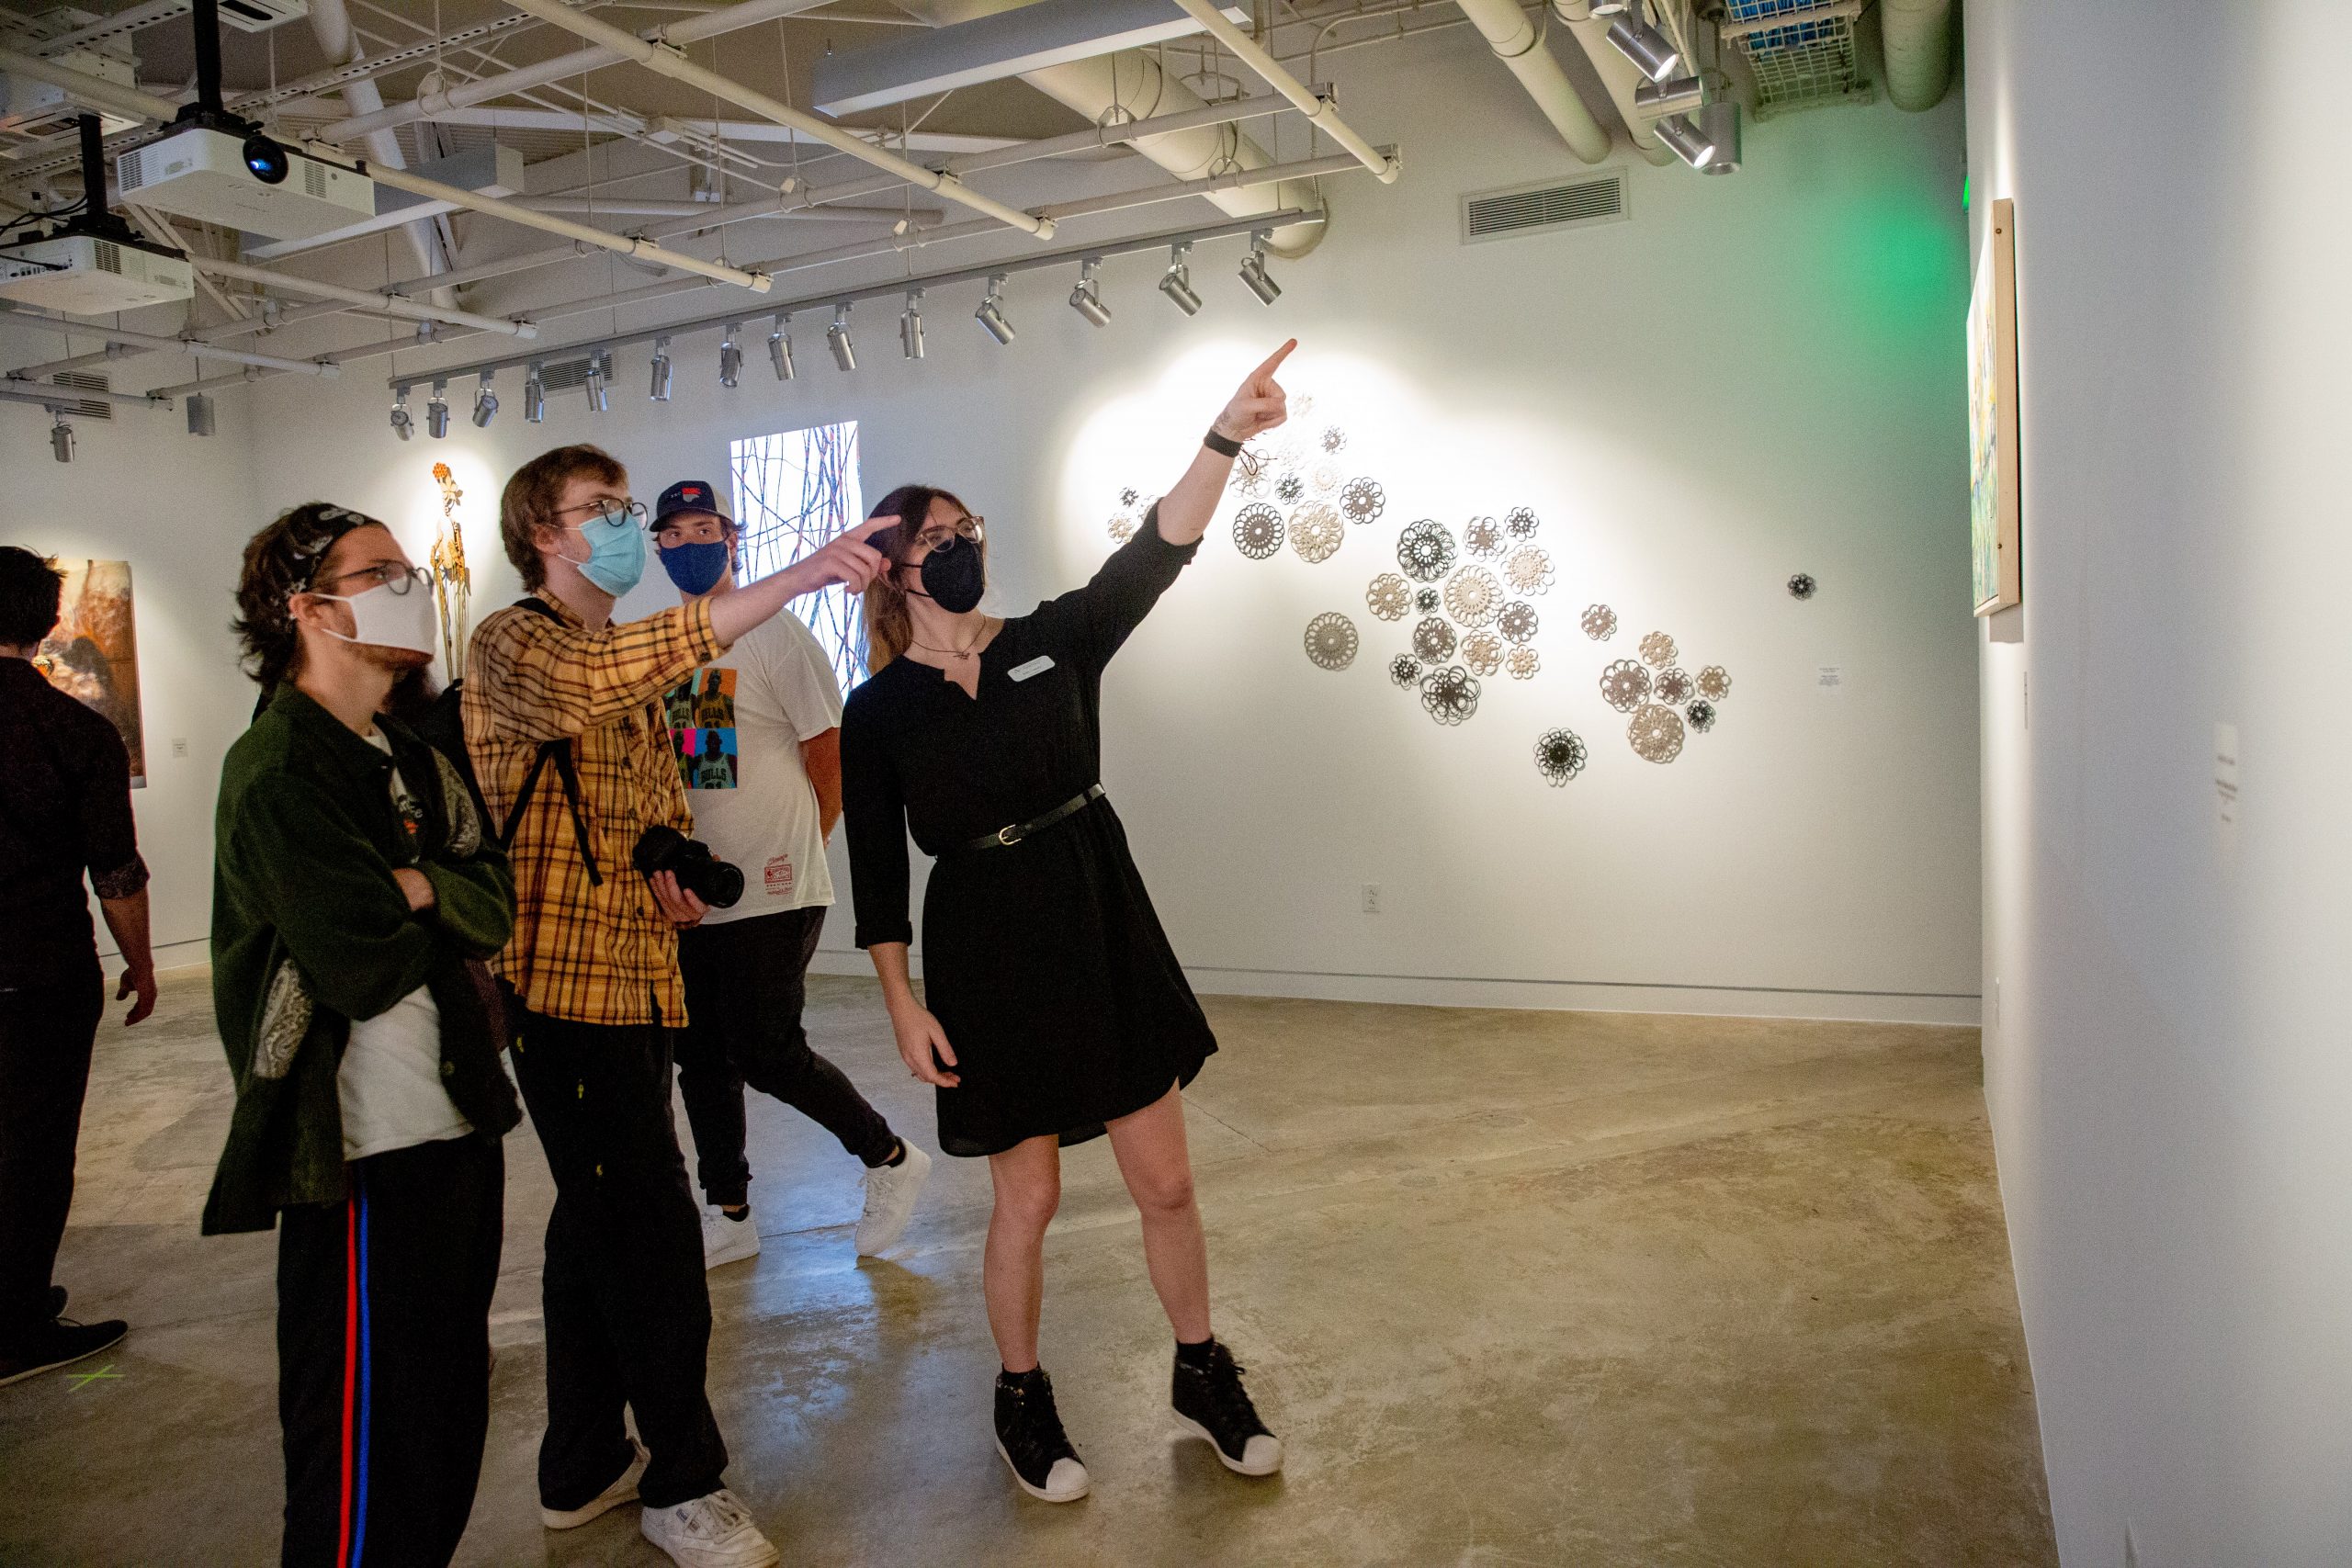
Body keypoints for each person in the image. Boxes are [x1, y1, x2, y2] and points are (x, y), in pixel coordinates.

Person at [841, 341, 1301, 1504]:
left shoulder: (1050, 639)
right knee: (1029, 1197)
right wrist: (899, 1000)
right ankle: (1020, 1396)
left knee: (1166, 1183)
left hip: (1097, 916)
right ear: (893, 569)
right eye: (936, 537)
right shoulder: (878, 710)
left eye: (968, 529)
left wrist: (1223, 437)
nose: (962, 546)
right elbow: (878, 872)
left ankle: (1201, 1371)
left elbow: (1157, 551)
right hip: (984, 945)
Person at [463, 446, 889, 1568]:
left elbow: (654, 788)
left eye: (624, 506)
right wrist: (798, 575)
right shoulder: (515, 642)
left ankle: (580, 1466)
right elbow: (595, 686)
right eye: (600, 509)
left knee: (591, 1227)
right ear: (542, 534)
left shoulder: (627, 657)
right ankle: (682, 1482)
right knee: (652, 1240)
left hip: (640, 973)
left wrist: (666, 856)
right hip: (564, 987)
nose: (623, 523)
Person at [206, 505, 520, 1566]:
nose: (409, 588)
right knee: (357, 1443)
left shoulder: (408, 753)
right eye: (379, 572)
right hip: (359, 1151)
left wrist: (422, 887)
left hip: (454, 1123)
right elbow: (359, 959)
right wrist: (438, 898)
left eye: (407, 569)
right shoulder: (278, 771)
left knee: (444, 1418)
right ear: (308, 608)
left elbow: (494, 897)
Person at [648, 480, 933, 1271]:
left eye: (705, 528)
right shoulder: (664, 644)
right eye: (674, 533)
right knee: (701, 1058)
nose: (690, 543)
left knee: (767, 1049)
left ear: (732, 539)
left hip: (775, 885)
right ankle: (729, 1210)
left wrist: (805, 847)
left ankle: (889, 1156)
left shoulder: (775, 634)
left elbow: (830, 751)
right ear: (658, 548)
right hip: (696, 894)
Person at [0, 546, 153, 1388]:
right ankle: (16, 1323)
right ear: (49, 622)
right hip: (39, 970)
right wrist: (143, 963)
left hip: (36, 972)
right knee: (32, 1148)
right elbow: (116, 871)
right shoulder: (75, 730)